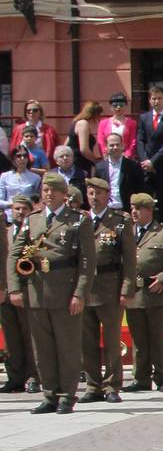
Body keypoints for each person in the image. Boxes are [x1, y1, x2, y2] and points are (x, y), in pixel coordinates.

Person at [9, 174, 92, 414]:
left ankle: (67, 394)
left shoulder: (77, 220)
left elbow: (86, 262)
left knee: (67, 345)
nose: (48, 193)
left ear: (63, 193)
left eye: (53, 190)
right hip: (37, 291)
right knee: (42, 346)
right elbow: (15, 254)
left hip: (65, 291)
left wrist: (80, 293)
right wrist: (15, 287)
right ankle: (49, 393)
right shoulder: (33, 219)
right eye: (45, 189)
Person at [78, 177, 133, 404]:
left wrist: (126, 288)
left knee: (111, 340)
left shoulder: (119, 221)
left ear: (107, 194)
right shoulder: (80, 221)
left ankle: (112, 385)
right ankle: (92, 385)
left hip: (110, 286)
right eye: (90, 193)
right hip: (85, 288)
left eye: (98, 193)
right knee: (86, 341)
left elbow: (129, 259)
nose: (94, 197)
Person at [122, 193, 163, 393]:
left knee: (160, 339)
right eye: (132, 208)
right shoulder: (127, 232)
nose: (134, 212)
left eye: (138, 208)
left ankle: (162, 378)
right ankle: (141, 377)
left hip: (156, 293)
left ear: (149, 210)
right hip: (134, 293)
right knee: (138, 339)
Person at [0, 196, 34, 393]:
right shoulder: (5, 232)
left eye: (24, 209)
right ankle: (15, 377)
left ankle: (33, 376)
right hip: (5, 290)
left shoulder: (34, 232)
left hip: (27, 290)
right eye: (16, 208)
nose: (20, 212)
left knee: (29, 335)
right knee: (11, 337)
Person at [137, 89, 163, 221]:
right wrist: (145, 160)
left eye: (159, 98)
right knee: (145, 200)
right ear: (150, 100)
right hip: (146, 167)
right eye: (154, 98)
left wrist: (153, 162)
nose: (157, 101)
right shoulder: (144, 118)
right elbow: (140, 140)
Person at [91, 132, 145, 210]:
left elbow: (140, 190)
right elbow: (94, 191)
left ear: (122, 146)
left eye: (117, 144)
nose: (115, 147)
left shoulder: (133, 166)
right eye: (111, 145)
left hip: (127, 211)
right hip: (105, 211)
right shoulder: (99, 168)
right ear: (106, 147)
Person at [96, 93, 137, 160]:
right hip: (108, 156)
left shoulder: (132, 123)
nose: (118, 107)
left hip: (125, 156)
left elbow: (133, 141)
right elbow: (101, 141)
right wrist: (104, 154)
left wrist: (128, 155)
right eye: (115, 105)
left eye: (121, 105)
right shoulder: (103, 123)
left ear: (126, 106)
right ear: (111, 107)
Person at [70, 101, 104, 170]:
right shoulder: (83, 124)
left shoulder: (75, 122)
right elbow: (84, 149)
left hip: (74, 161)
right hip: (80, 163)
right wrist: (96, 161)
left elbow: (67, 143)